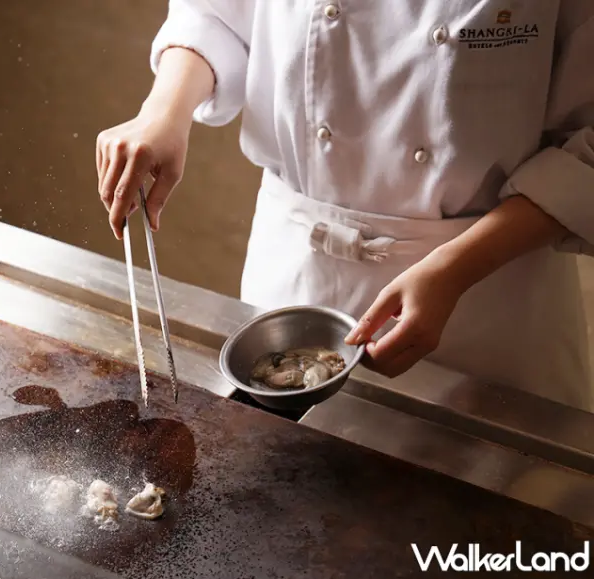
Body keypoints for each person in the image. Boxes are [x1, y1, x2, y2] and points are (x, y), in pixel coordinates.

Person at [95, 1, 594, 411]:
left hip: (490, 299)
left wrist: (454, 271)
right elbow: (218, 15)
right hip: (297, 277)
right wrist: (163, 111)